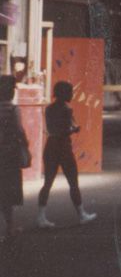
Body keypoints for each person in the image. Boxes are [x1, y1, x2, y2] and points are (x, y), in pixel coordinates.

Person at [36, 81, 97, 228]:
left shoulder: (49, 109)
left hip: (50, 146)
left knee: (48, 183)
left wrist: (70, 128)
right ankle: (82, 214)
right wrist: (74, 130)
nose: (72, 95)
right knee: (73, 183)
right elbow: (66, 129)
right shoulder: (67, 109)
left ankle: (41, 217)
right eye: (69, 92)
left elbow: (52, 129)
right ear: (63, 93)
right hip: (63, 147)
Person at [0, 76, 30, 241]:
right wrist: (26, 144)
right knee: (8, 191)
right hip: (8, 154)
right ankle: (9, 227)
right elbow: (19, 130)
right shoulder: (13, 109)